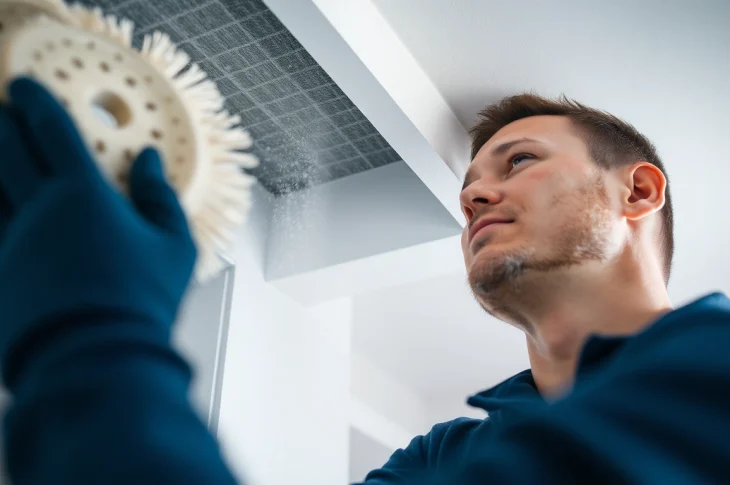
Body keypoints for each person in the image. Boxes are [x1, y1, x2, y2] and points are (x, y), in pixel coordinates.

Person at [1, 78, 729, 485]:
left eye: (519, 161)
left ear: (638, 191)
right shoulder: (439, 459)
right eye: (469, 183)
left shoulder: (714, 369)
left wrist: (92, 329)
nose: (474, 196)